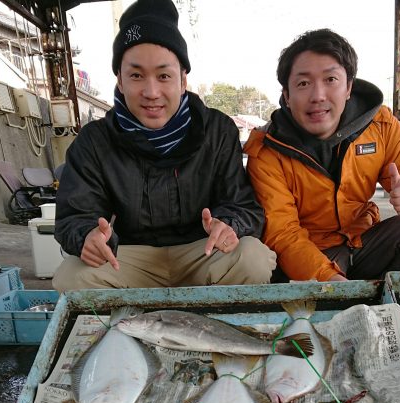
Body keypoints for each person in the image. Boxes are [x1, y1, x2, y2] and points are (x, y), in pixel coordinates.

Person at [52, 0, 275, 291]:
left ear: (183, 80)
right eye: (135, 75)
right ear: (119, 80)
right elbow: (75, 216)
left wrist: (229, 225)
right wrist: (88, 236)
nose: (151, 92)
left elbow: (243, 205)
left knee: (252, 258)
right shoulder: (94, 141)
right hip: (129, 260)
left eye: (164, 75)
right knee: (71, 275)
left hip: (203, 253)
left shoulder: (217, 130)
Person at [244, 29, 400, 282]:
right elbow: (283, 234)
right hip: (306, 261)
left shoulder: (381, 126)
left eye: (331, 80)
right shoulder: (266, 150)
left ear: (349, 87)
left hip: (365, 243)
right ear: (286, 95)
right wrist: (331, 282)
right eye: (303, 83)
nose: (318, 96)